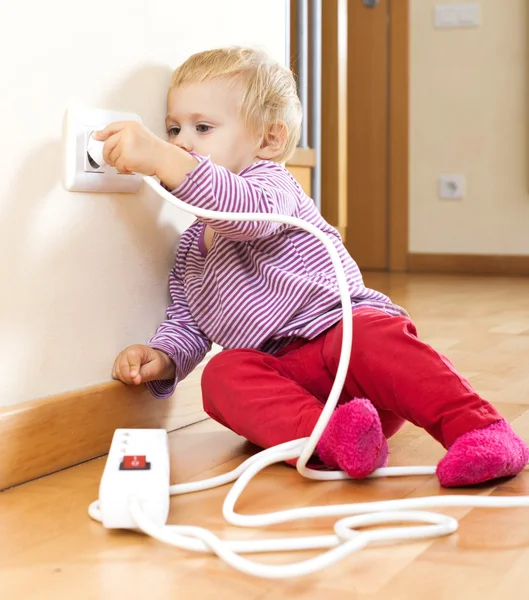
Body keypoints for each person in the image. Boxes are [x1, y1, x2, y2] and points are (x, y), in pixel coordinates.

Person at [95, 47, 528, 487]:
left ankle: (479, 430)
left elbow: (243, 212)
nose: (181, 143)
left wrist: (161, 157)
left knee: (373, 336)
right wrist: (164, 357)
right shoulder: (191, 250)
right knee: (222, 376)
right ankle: (331, 439)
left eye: (202, 128)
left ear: (269, 141)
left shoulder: (273, 187)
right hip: (290, 383)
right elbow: (189, 322)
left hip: (347, 348)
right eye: (173, 130)